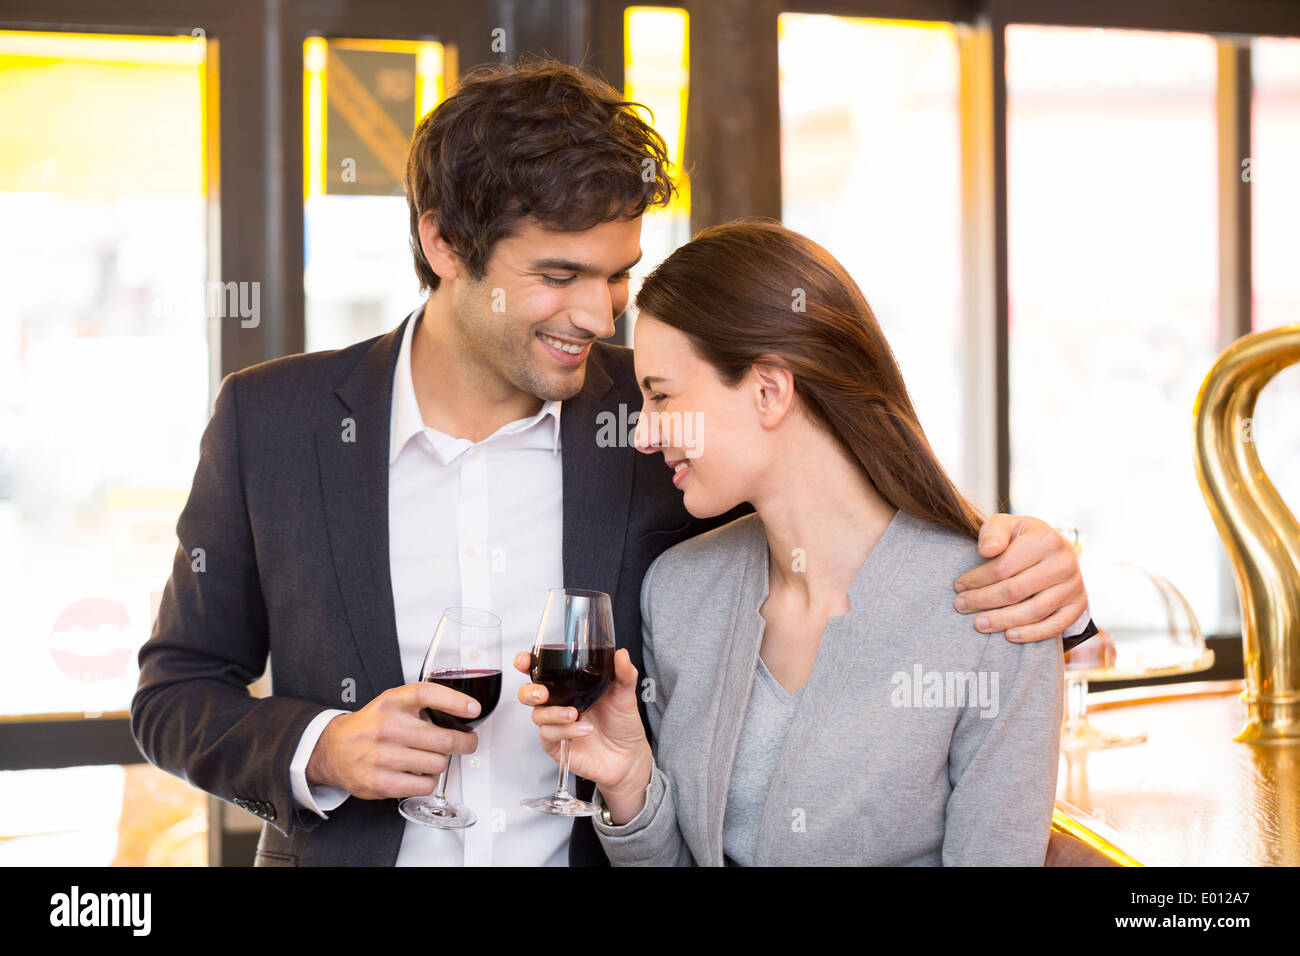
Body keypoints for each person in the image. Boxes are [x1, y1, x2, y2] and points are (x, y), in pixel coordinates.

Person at [131, 60, 1092, 867]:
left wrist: (1024, 552)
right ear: (442, 242)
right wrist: (322, 748)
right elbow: (175, 691)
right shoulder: (274, 422)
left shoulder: (662, 411)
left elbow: (853, 514)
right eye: (557, 276)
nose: (599, 315)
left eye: (618, 274)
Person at [517, 220, 1073, 865]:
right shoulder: (680, 588)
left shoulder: (997, 607)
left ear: (769, 391)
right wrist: (628, 778)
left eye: (662, 397)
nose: (642, 435)